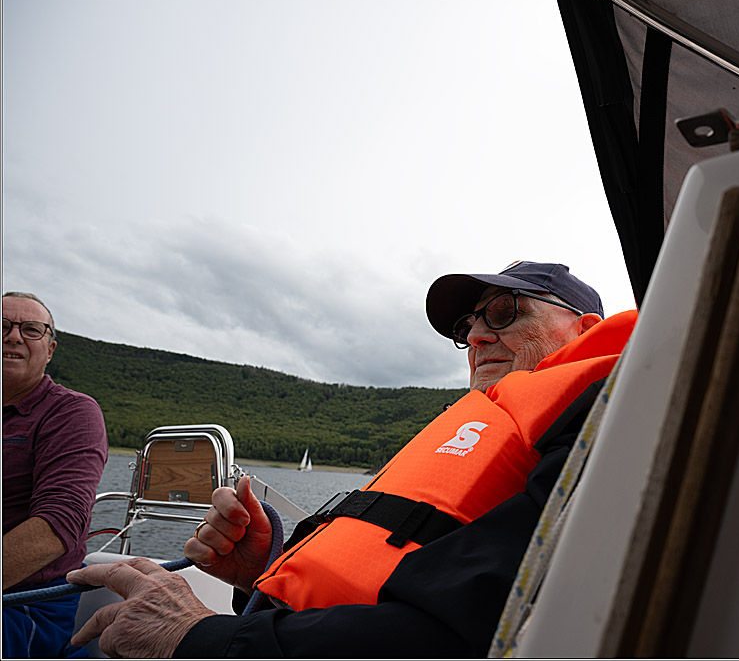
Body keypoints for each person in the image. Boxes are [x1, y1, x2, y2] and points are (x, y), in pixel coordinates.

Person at [68, 261, 638, 658]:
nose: (477, 337)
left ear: (583, 328)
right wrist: (262, 571)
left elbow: (453, 636)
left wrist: (197, 639)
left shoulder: (604, 423)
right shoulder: (475, 428)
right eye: (468, 326)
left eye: (504, 312)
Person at [3, 291, 109, 658]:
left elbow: (57, 526)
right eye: (2, 326)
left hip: (24, 605)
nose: (13, 336)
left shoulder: (71, 413)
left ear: (49, 350)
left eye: (31, 329)